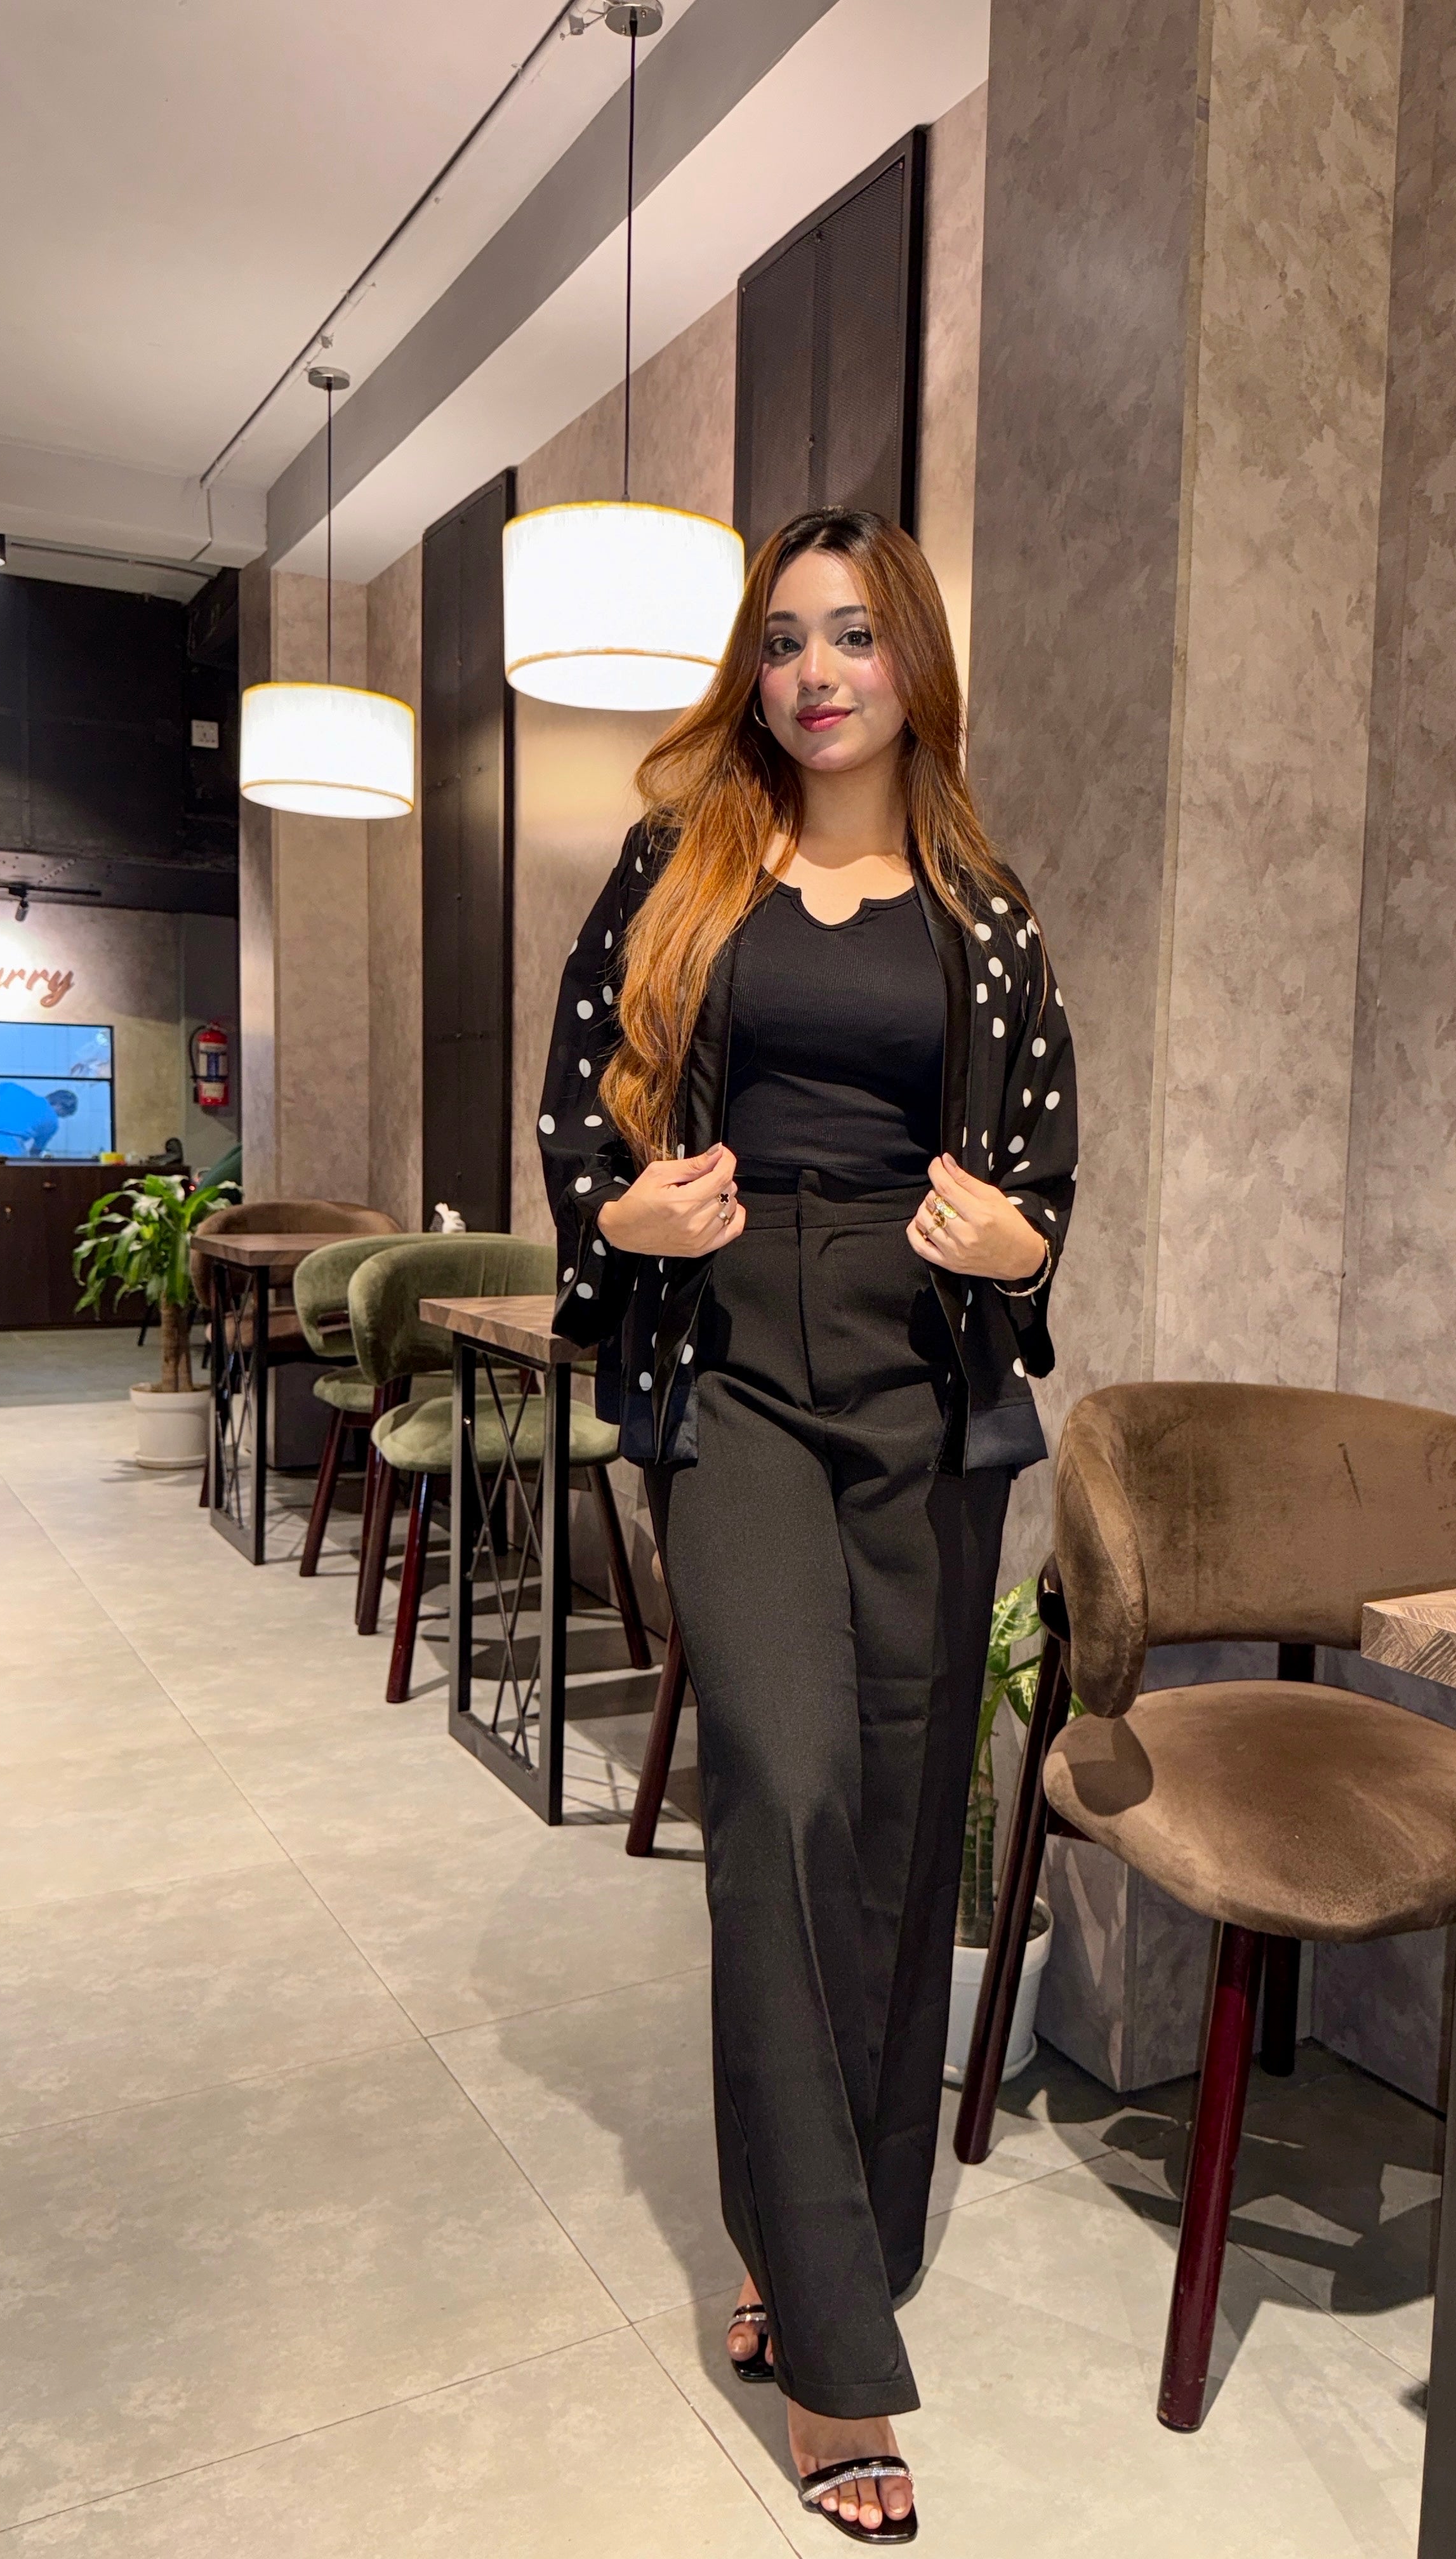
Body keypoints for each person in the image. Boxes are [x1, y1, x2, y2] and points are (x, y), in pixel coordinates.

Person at [539, 508, 1077, 2543]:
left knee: (905, 1797)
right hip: (739, 1347)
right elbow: (580, 1110)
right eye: (785, 640)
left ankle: (818, 2221)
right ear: (751, 675)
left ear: (911, 663)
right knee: (779, 1782)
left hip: (924, 1365)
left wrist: (1018, 1242)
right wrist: (622, 1211)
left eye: (854, 635)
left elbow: (1046, 1161)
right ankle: (839, 2367)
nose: (819, 670)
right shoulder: (676, 869)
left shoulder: (985, 906)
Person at [0, 1081, 77, 1156]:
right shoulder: (53, 1122)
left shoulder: (10, 1087)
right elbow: (35, 1153)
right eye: (64, 1115)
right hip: (13, 1151)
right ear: (61, 1108)